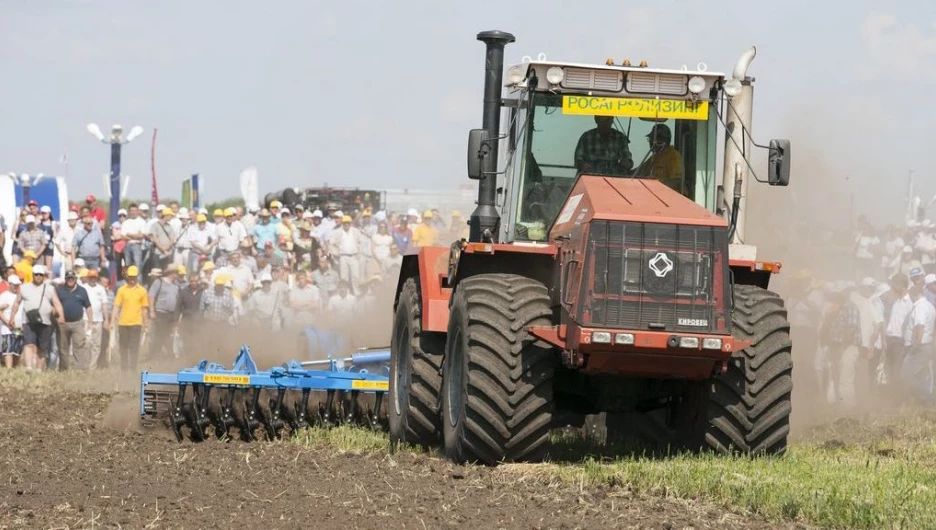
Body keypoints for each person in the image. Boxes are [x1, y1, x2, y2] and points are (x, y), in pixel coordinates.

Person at [10, 264, 65, 372]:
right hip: (28, 321)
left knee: (42, 346)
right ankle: (29, 367)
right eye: (36, 274)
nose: (38, 276)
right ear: (32, 275)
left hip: (46, 321)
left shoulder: (50, 288)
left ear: (44, 275)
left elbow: (57, 303)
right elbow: (17, 302)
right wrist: (12, 316)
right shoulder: (24, 287)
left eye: (41, 274)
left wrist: (61, 316)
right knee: (29, 343)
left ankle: (39, 369)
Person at [110, 265, 149, 371]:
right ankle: (124, 369)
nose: (132, 279)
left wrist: (146, 325)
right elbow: (116, 306)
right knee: (123, 348)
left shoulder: (142, 291)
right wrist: (112, 322)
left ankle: (133, 369)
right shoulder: (121, 290)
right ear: (127, 277)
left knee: (134, 348)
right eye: (130, 277)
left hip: (136, 323)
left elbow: (144, 309)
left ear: (137, 277)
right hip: (123, 323)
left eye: (134, 277)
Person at [901, 284, 936, 402]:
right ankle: (923, 399)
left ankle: (925, 397)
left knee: (906, 373)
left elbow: (920, 326)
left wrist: (916, 346)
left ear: (913, 294)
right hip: (927, 345)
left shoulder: (920, 307)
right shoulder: (930, 306)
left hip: (920, 346)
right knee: (920, 374)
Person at [55, 270, 93, 370]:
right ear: (65, 279)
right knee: (63, 348)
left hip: (78, 323)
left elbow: (88, 307)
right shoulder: (59, 290)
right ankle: (63, 370)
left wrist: (90, 322)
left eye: (72, 278)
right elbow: (54, 304)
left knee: (79, 346)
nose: (70, 280)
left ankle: (79, 370)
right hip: (63, 323)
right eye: (68, 278)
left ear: (76, 279)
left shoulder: (82, 291)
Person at [636, 124, 683, 192]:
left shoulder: (673, 155)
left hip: (668, 198)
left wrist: (656, 188)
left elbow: (677, 181)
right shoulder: (655, 157)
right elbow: (638, 171)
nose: (650, 142)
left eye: (652, 138)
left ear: (660, 139)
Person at [147, 265, 181, 360]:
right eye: (176, 272)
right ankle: (156, 355)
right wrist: (151, 311)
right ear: (172, 273)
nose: (178, 275)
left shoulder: (176, 285)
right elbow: (151, 295)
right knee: (161, 334)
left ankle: (165, 355)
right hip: (161, 312)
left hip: (171, 314)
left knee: (168, 334)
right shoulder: (159, 282)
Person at [328, 215, 365, 293]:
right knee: (344, 277)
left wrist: (359, 253)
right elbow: (331, 243)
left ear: (351, 223)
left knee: (355, 276)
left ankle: (356, 292)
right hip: (343, 256)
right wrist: (336, 254)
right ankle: (346, 293)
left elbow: (361, 242)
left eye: (348, 223)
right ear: (342, 223)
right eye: (345, 223)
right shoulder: (337, 232)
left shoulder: (356, 231)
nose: (346, 224)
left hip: (354, 256)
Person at [83, 269, 109, 368]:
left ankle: (92, 367)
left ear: (97, 278)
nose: (92, 279)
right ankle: (85, 364)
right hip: (85, 319)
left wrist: (106, 320)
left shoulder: (101, 289)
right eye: (91, 277)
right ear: (88, 278)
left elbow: (104, 304)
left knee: (96, 345)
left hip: (98, 320)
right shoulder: (83, 288)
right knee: (86, 343)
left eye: (94, 277)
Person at [0, 275, 24, 368]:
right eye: (14, 285)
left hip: (18, 328)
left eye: (17, 285)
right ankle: (9, 369)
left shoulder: (20, 296)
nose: (16, 287)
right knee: (8, 350)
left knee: (17, 351)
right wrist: (7, 322)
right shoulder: (4, 296)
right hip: (6, 329)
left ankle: (14, 368)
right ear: (9, 284)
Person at [178, 273, 204, 356]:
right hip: (187, 321)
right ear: (189, 281)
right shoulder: (183, 292)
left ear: (199, 281)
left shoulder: (203, 292)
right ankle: (188, 359)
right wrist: (176, 321)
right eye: (192, 281)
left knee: (199, 342)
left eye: (196, 281)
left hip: (200, 321)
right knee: (187, 342)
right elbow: (178, 307)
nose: (194, 283)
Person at [121, 204, 148, 270]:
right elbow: (123, 236)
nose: (133, 212)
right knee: (128, 266)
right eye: (132, 211)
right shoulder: (126, 222)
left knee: (137, 266)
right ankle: (128, 280)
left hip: (137, 246)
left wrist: (129, 234)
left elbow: (142, 235)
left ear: (138, 211)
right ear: (129, 212)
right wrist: (136, 235)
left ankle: (138, 280)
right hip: (127, 246)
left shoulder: (142, 222)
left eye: (135, 210)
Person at [55, 211, 79, 276]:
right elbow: (57, 242)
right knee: (69, 274)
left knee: (79, 274)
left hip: (78, 255)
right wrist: (62, 253)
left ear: (76, 220)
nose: (72, 221)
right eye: (70, 220)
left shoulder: (80, 230)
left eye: (74, 220)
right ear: (68, 221)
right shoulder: (64, 231)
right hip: (68, 255)